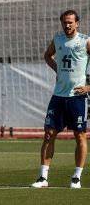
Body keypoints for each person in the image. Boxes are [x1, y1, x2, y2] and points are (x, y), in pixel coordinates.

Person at [31, 10, 89, 189]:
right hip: (58, 96)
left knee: (80, 135)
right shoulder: (58, 40)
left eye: (71, 22)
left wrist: (88, 87)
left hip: (78, 97)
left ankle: (76, 178)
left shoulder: (85, 40)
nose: (67, 25)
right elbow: (47, 55)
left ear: (77, 23)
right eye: (65, 22)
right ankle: (43, 177)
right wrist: (57, 70)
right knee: (49, 134)